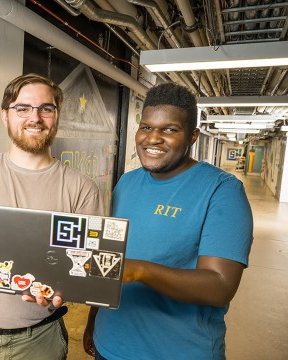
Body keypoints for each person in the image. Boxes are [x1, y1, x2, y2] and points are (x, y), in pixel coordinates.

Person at [0, 73, 104, 359]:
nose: (34, 118)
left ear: (56, 116)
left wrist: (63, 288)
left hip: (39, 342)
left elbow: (86, 267)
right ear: (5, 116)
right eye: (22, 108)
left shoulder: (81, 188)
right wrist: (25, 253)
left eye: (45, 109)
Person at [83, 83, 253, 360]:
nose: (153, 138)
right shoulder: (126, 183)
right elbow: (109, 257)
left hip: (178, 350)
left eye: (169, 129)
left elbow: (219, 287)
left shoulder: (222, 191)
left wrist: (139, 271)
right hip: (111, 344)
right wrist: (94, 319)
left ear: (193, 136)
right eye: (147, 127)